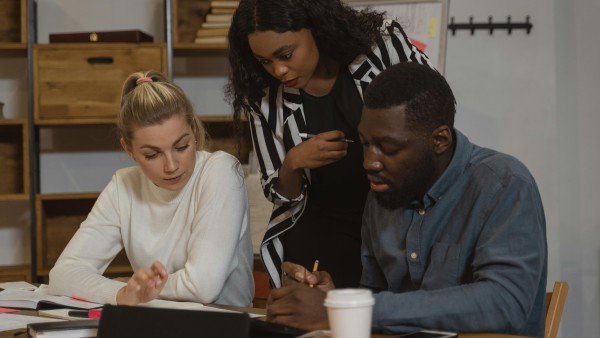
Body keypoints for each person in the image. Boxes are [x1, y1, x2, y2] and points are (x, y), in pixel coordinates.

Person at [265, 63, 548, 337]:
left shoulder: (503, 184)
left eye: (388, 148)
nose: (369, 162)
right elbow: (378, 299)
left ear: (439, 140)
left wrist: (351, 310)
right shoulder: (382, 193)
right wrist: (336, 298)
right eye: (364, 143)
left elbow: (506, 302)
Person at [226, 0, 432, 289]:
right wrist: (293, 163)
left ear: (316, 27)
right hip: (324, 222)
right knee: (311, 315)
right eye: (264, 61)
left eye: (285, 54)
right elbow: (280, 195)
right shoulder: (262, 97)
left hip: (400, 212)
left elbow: (436, 112)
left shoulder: (379, 47)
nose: (279, 70)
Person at [48, 70, 254, 307]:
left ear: (195, 132)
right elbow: (63, 275)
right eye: (152, 154)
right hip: (154, 325)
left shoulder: (221, 171)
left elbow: (203, 287)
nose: (171, 166)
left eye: (181, 146)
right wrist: (122, 293)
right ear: (128, 149)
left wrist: (138, 289)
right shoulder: (123, 185)